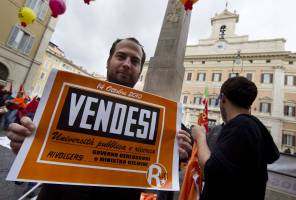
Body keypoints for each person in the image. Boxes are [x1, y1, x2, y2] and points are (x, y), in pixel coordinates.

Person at [6, 37, 192, 200]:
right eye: (121, 56)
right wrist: (25, 144)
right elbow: (36, 147)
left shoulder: (159, 117)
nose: (127, 64)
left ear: (139, 70)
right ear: (108, 61)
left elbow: (166, 168)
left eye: (135, 61)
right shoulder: (65, 99)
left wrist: (177, 153)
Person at [191, 76, 280, 200]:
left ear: (223, 98)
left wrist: (200, 136)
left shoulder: (240, 126)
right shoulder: (254, 126)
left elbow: (210, 171)